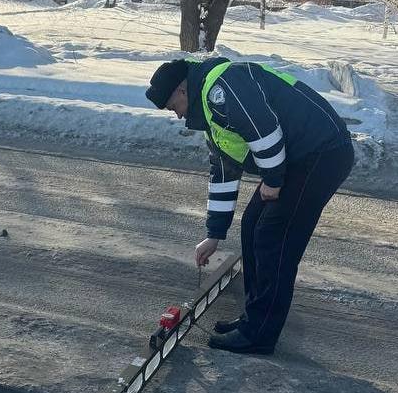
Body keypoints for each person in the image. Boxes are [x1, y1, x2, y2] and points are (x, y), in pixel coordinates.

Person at [146, 57, 353, 355]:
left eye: (171, 107)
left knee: (273, 236)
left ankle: (259, 333)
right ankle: (252, 318)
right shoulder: (211, 114)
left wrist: (273, 179)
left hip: (322, 151)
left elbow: (265, 130)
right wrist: (214, 234)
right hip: (295, 157)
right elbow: (223, 174)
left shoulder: (222, 86)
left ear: (181, 90)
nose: (177, 116)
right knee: (252, 223)